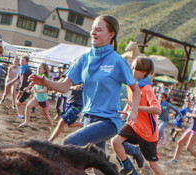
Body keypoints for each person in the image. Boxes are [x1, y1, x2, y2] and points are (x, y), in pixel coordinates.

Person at [31, 15, 134, 151]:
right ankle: (132, 171)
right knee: (97, 165)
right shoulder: (84, 58)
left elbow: (135, 88)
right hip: (87, 118)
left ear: (111, 35)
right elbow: (64, 86)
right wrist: (44, 81)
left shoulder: (118, 61)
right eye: (92, 29)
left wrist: (134, 110)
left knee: (69, 142)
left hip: (108, 121)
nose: (93, 33)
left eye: (98, 30)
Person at [111, 55, 179, 175]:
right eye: (133, 68)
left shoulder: (146, 88)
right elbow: (130, 104)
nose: (133, 71)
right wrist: (125, 111)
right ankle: (127, 166)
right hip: (134, 125)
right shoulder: (132, 84)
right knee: (115, 142)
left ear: (144, 73)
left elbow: (157, 109)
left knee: (153, 164)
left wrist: (135, 108)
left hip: (148, 132)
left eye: (137, 69)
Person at [170, 84, 196, 166]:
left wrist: (190, 115)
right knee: (180, 142)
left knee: (189, 147)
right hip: (192, 127)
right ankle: (175, 160)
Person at [20, 63, 54, 128]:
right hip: (37, 98)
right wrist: (29, 89)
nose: (38, 69)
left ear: (45, 70)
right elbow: (33, 84)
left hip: (43, 99)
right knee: (28, 106)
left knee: (46, 115)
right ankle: (26, 122)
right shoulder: (37, 76)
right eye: (38, 68)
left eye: (40, 68)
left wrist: (37, 91)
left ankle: (52, 127)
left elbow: (44, 90)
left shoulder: (45, 78)